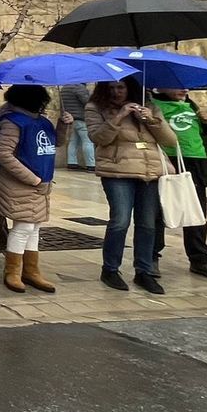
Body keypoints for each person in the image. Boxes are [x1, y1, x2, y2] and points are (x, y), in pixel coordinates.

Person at [85, 79, 175, 293]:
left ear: (131, 88)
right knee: (120, 221)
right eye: (112, 88)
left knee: (147, 223)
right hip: (117, 171)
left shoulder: (149, 105)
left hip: (149, 171)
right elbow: (98, 137)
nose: (117, 92)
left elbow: (170, 140)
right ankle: (110, 269)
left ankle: (144, 271)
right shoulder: (95, 107)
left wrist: (151, 120)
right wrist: (119, 116)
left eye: (121, 88)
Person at [0, 85, 70, 293]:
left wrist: (63, 125)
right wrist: (33, 179)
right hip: (20, 182)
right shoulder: (12, 122)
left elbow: (57, 143)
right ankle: (13, 272)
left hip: (39, 182)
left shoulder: (41, 121)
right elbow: (4, 154)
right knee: (24, 226)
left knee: (34, 226)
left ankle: (31, 271)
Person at [149, 88, 207, 282]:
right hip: (168, 159)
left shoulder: (191, 105)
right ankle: (152, 255)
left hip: (196, 159)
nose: (183, 90)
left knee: (197, 211)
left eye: (185, 87)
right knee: (159, 210)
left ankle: (200, 258)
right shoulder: (155, 106)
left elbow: (200, 133)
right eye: (176, 86)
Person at [59, 82, 95, 170]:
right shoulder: (79, 87)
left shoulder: (64, 88)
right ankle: (91, 164)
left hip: (70, 119)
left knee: (73, 142)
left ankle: (72, 163)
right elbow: (87, 102)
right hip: (81, 118)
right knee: (87, 141)